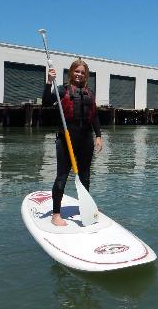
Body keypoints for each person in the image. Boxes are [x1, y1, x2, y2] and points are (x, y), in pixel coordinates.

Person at [42, 59, 103, 226]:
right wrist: (49, 82)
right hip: (66, 139)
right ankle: (56, 214)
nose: (79, 75)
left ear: (86, 75)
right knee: (62, 176)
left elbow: (94, 115)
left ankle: (85, 208)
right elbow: (46, 102)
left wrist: (98, 135)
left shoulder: (90, 93)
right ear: (71, 73)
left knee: (85, 176)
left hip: (85, 139)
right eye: (77, 71)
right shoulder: (62, 90)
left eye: (83, 72)